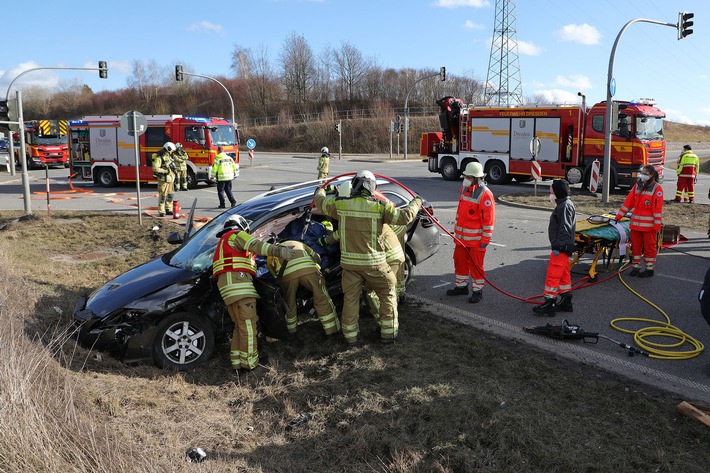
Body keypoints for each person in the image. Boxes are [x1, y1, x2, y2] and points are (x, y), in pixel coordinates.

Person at [314, 170, 422, 344]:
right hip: (375, 265)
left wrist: (321, 189)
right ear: (372, 188)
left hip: (350, 266)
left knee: (351, 299)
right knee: (387, 294)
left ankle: (350, 337)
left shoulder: (341, 205)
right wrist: (417, 202)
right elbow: (405, 216)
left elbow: (320, 202)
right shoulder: (379, 207)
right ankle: (388, 334)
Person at [212, 215, 298, 373]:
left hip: (229, 291)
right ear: (242, 226)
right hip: (240, 288)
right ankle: (251, 363)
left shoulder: (224, 243)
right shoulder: (236, 235)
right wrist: (279, 251)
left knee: (240, 327)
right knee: (249, 327)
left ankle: (238, 363)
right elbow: (257, 246)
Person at [267, 240, 340, 337]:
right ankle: (331, 330)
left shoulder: (271, 252)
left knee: (289, 304)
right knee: (321, 297)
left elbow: (274, 274)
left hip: (288, 276)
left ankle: (292, 332)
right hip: (308, 269)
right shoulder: (298, 243)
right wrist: (317, 267)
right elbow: (316, 256)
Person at [446, 161, 496, 303]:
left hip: (476, 241)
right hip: (461, 239)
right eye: (465, 176)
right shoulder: (463, 190)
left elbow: (489, 221)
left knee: (476, 266)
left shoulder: (485, 194)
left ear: (476, 178)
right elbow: (460, 213)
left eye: (468, 176)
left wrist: (485, 241)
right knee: (459, 261)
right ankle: (461, 287)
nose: (465, 179)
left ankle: (477, 291)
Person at [533, 179, 577, 316]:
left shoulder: (564, 206)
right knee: (563, 275)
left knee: (553, 274)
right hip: (563, 246)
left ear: (558, 192)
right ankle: (566, 301)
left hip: (561, 247)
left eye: (551, 190)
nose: (549, 192)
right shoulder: (563, 204)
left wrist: (558, 245)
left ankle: (549, 303)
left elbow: (565, 228)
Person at [614, 164, 664, 277]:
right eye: (642, 173)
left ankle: (649, 268)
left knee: (649, 247)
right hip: (636, 225)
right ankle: (635, 267)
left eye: (645, 174)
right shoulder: (637, 186)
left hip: (649, 226)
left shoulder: (657, 188)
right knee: (635, 246)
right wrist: (618, 216)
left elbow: (657, 209)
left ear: (651, 175)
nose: (642, 176)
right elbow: (628, 203)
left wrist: (657, 226)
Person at [152, 141, 177, 217]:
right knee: (163, 196)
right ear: (168, 149)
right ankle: (161, 211)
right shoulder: (159, 158)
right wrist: (165, 171)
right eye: (172, 150)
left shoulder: (169, 157)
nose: (172, 152)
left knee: (170, 195)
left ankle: (168, 209)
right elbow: (155, 168)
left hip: (171, 180)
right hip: (163, 180)